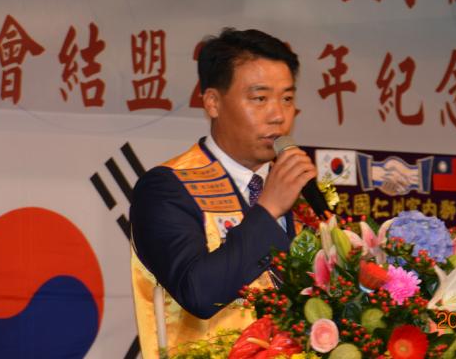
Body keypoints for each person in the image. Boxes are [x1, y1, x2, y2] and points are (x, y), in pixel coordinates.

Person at [129, 28, 316, 358]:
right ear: (213, 103)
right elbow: (199, 292)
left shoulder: (303, 194)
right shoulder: (168, 188)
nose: (279, 116)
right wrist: (268, 210)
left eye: (287, 99)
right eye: (260, 99)